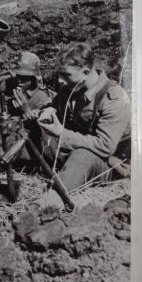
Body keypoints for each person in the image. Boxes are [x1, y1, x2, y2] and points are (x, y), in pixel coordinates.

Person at [29, 42, 131, 207]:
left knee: (82, 154)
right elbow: (57, 104)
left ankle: (46, 205)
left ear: (85, 72)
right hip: (72, 154)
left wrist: (61, 133)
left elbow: (105, 146)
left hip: (107, 166)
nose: (60, 81)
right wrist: (49, 110)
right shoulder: (72, 86)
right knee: (26, 132)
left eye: (65, 75)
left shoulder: (114, 99)